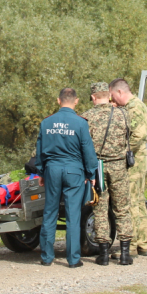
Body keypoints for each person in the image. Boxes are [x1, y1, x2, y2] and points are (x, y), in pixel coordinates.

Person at [34, 87, 98, 268]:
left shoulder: (46, 123)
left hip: (52, 170)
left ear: (58, 100)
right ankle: (73, 259)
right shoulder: (81, 123)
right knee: (73, 215)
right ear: (76, 101)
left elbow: (40, 150)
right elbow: (88, 150)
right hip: (74, 171)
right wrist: (91, 173)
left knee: (50, 213)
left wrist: (41, 172)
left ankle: (47, 257)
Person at [80, 82, 132, 266]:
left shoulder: (86, 117)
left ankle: (103, 254)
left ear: (94, 97)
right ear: (109, 96)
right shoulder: (122, 114)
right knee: (122, 208)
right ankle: (125, 252)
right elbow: (129, 136)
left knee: (100, 209)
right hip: (119, 165)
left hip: (98, 167)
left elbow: (83, 145)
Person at [109, 78, 147, 257]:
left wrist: (124, 152)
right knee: (139, 201)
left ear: (120, 92)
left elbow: (140, 134)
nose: (112, 101)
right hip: (139, 157)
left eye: (112, 96)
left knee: (130, 202)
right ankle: (143, 243)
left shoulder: (133, 108)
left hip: (133, 160)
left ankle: (132, 246)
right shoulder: (138, 106)